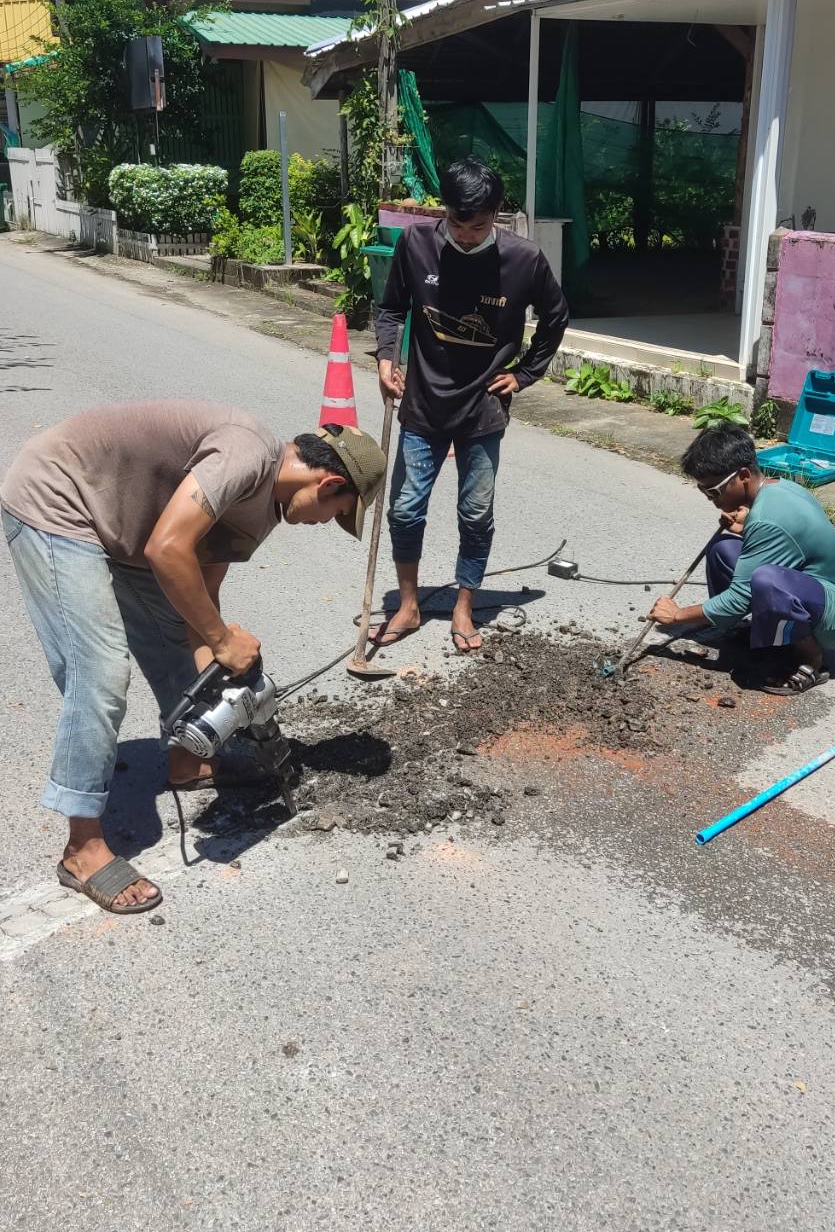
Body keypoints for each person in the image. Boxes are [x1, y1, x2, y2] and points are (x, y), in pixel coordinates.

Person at [1, 402, 386, 916]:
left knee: (179, 641)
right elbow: (168, 549)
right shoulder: (247, 454)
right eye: (337, 514)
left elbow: (202, 593)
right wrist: (224, 640)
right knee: (99, 672)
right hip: (58, 498)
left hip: (127, 531)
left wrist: (222, 682)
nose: (325, 524)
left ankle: (187, 759)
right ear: (328, 484)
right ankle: (82, 849)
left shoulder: (265, 510)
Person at [374, 157, 569, 653]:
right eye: (455, 222)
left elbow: (555, 316)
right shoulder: (417, 244)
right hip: (423, 403)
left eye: (476, 225)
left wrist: (524, 374)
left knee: (475, 514)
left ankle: (464, 606)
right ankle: (409, 605)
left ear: (497, 215)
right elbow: (392, 306)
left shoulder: (524, 260)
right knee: (404, 510)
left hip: (483, 410)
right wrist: (384, 357)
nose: (463, 234)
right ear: (444, 211)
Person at [649, 423, 835, 694]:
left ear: (742, 475)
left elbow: (740, 596)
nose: (711, 500)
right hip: (816, 593)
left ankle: (811, 661)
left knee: (766, 580)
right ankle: (745, 630)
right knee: (723, 549)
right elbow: (783, 539)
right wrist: (748, 522)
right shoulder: (778, 487)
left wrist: (677, 615)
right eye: (703, 492)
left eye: (713, 491)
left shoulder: (767, 520)